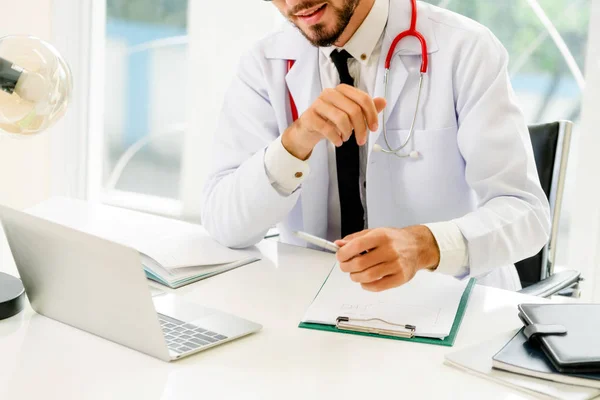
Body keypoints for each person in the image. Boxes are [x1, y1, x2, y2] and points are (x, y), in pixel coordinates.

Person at [201, 0, 551, 292]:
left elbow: (527, 213)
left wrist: (425, 245)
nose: (294, 4)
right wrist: (294, 142)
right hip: (314, 313)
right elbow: (225, 224)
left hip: (452, 305)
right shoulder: (265, 63)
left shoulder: (466, 48)